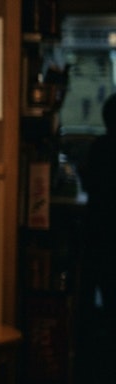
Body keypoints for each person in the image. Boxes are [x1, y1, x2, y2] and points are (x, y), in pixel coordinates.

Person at [78, 93, 116, 330]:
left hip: (99, 223)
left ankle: (89, 331)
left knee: (94, 278)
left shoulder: (100, 146)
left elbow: (90, 182)